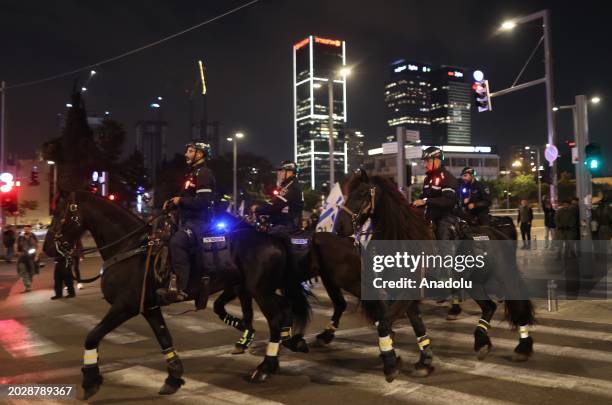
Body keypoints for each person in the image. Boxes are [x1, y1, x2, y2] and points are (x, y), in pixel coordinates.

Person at [157, 142, 216, 303]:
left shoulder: (204, 173)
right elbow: (187, 198)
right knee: (162, 237)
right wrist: (172, 202)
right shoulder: (192, 173)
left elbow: (203, 201)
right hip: (187, 221)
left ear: (200, 154)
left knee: (177, 242)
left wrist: (180, 200)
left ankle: (183, 288)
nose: (186, 154)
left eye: (190, 151)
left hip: (199, 223)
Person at [413, 146, 458, 240]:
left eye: (427, 161)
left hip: (446, 217)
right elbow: (423, 197)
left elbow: (448, 201)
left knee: (442, 237)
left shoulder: (447, 177)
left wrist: (426, 201)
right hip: (430, 217)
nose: (425, 165)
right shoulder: (428, 179)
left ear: (437, 160)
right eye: (425, 161)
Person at [251, 160, 304, 235]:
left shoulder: (290, 187)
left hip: (288, 225)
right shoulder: (289, 185)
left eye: (282, 171)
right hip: (288, 222)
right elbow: (275, 203)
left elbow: (276, 206)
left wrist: (257, 209)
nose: (280, 174)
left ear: (290, 172)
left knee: (266, 240)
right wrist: (266, 215)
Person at [16, 225, 40, 293]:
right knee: (23, 270)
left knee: (31, 272)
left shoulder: (34, 236)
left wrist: (37, 256)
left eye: (27, 229)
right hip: (22, 257)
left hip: (32, 257)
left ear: (30, 229)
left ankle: (28, 286)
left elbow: (38, 246)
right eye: (25, 229)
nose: (26, 230)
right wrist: (17, 252)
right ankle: (27, 285)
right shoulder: (20, 237)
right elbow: (16, 245)